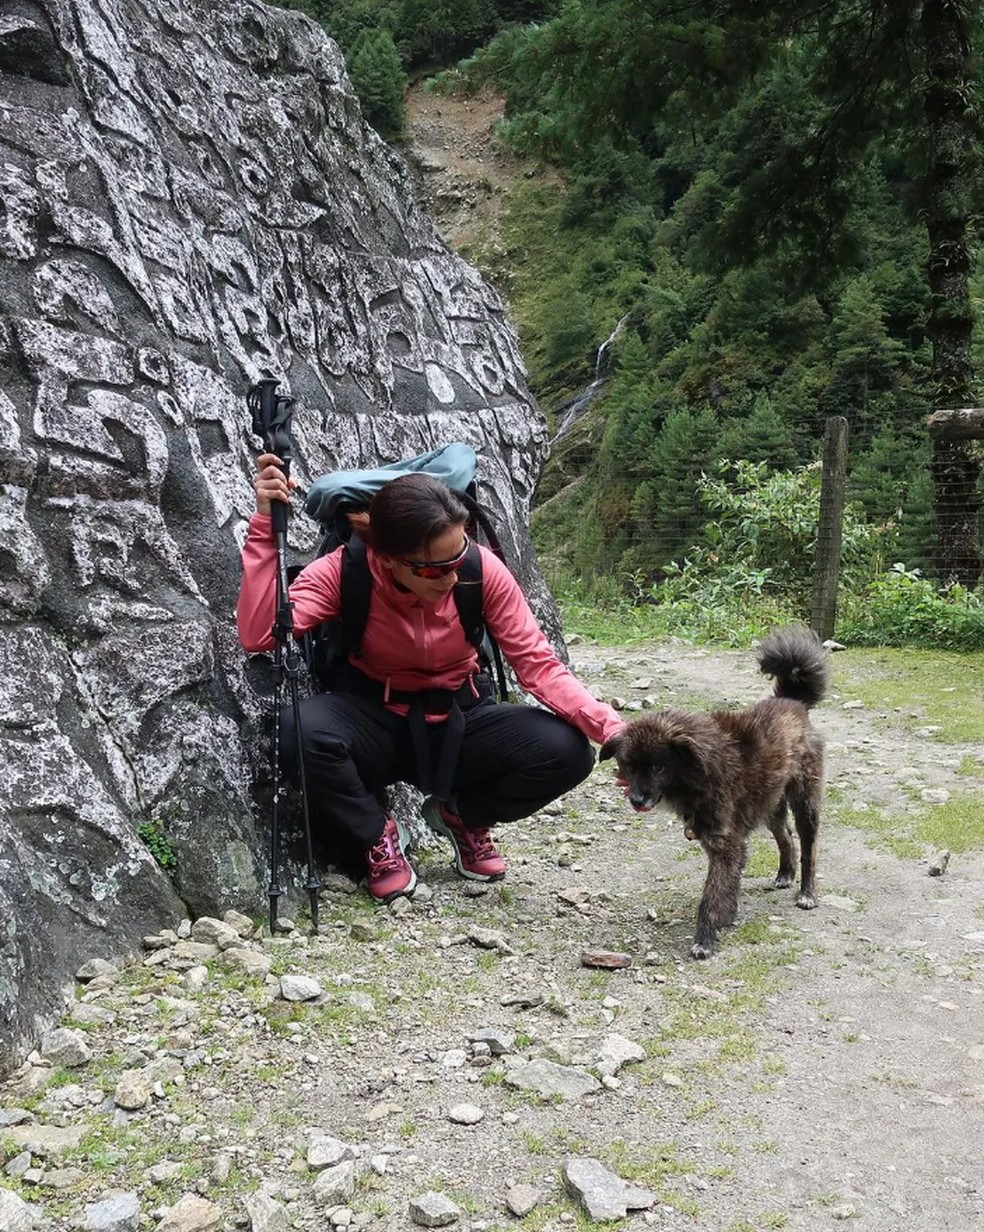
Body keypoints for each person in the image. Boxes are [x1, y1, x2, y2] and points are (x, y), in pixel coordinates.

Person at [237, 452, 625, 903]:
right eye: (432, 569)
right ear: (387, 557)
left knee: (568, 752)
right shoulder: (345, 571)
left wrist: (613, 730)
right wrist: (265, 527)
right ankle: (376, 836)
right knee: (295, 729)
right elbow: (260, 633)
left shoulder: (480, 571)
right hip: (373, 721)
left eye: (457, 557)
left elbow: (538, 665)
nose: (451, 577)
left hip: (460, 719)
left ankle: (459, 815)